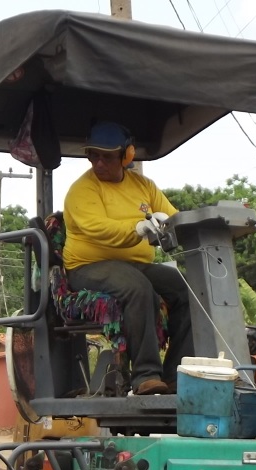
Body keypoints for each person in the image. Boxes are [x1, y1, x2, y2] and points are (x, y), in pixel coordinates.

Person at [62, 121, 193, 396]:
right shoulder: (82, 190)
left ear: (127, 156)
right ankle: (145, 375)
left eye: (107, 156)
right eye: (93, 155)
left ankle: (177, 376)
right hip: (87, 267)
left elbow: (172, 217)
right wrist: (137, 228)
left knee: (187, 288)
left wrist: (185, 226)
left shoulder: (144, 186)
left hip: (135, 264)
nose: (98, 163)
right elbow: (96, 228)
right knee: (137, 287)